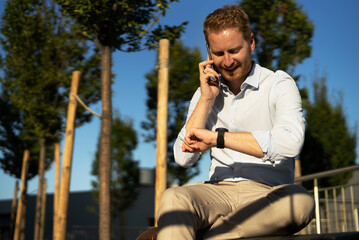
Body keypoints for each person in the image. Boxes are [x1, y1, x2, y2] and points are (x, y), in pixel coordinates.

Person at [156, 4, 314, 240]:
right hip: (217, 192)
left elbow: (290, 143)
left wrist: (218, 138)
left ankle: (210, 235)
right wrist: (207, 100)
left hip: (267, 194)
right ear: (209, 52)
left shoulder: (278, 84)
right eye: (218, 54)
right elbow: (183, 158)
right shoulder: (203, 94)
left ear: (251, 42)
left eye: (234, 50)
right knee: (173, 198)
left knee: (301, 202)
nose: (228, 61)